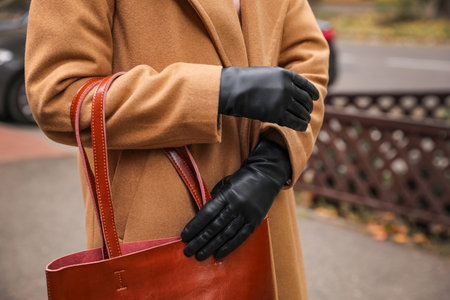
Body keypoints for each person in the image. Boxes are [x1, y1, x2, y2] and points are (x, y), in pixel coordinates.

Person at [25, 0, 329, 298]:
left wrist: (273, 161)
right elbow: (59, 96)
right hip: (162, 230)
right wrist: (216, 91)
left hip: (266, 215)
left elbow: (308, 61)